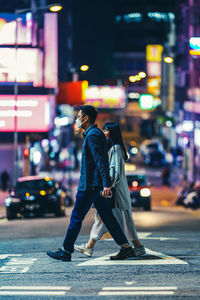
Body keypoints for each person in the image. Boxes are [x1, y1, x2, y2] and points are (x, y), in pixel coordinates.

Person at [47, 106, 135, 262]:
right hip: (95, 185)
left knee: (76, 217)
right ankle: (126, 248)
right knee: (108, 218)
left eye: (79, 116)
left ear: (86, 118)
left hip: (89, 186)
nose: (78, 119)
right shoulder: (93, 134)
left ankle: (66, 250)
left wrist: (106, 184)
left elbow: (101, 160)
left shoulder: (93, 135)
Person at [74, 122, 145, 257]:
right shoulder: (112, 148)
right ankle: (90, 247)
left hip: (115, 193)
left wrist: (107, 185)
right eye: (103, 130)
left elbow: (115, 171)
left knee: (123, 220)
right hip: (111, 191)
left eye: (106, 130)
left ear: (112, 132)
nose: (104, 133)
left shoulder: (116, 149)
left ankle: (137, 247)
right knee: (102, 218)